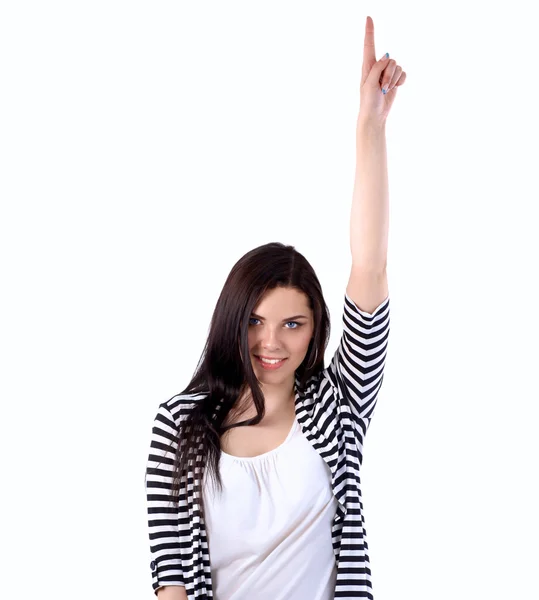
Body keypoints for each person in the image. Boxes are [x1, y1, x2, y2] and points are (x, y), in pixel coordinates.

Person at [145, 15, 406, 600]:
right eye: (256, 321)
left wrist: (370, 126)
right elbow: (170, 584)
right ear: (232, 321)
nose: (272, 342)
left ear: (316, 332)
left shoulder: (338, 409)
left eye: (293, 324)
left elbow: (370, 267)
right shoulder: (179, 428)